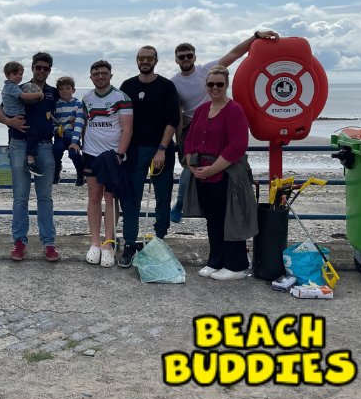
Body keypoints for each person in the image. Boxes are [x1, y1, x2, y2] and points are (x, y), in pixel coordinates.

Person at [169, 30, 280, 223]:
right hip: (191, 127)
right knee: (189, 168)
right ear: (176, 60)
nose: (186, 59)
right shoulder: (174, 82)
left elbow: (234, 53)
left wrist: (256, 36)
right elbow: (176, 113)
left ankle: (228, 205)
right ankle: (182, 202)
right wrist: (179, 140)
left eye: (189, 55)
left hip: (218, 120)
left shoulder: (207, 71)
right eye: (182, 57)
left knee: (225, 164)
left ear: (195, 56)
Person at [182, 65, 257, 279]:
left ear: (226, 85)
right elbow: (190, 139)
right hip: (202, 173)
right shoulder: (202, 110)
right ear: (206, 86)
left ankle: (237, 265)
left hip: (226, 173)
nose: (215, 88)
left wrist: (212, 169)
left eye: (219, 84)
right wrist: (191, 164)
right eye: (211, 84)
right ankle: (216, 260)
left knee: (230, 218)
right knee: (212, 219)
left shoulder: (234, 110)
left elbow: (237, 145)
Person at [117, 45, 181, 268]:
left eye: (149, 58)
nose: (144, 61)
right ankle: (130, 244)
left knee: (162, 198)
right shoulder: (128, 86)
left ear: (155, 60)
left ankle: (159, 240)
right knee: (131, 199)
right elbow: (120, 119)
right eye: (141, 58)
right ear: (137, 60)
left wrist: (162, 149)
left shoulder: (166, 86)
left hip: (160, 149)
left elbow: (173, 120)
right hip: (134, 151)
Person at [73, 61, 133, 268]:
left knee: (110, 198)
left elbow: (127, 129)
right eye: (96, 73)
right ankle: (95, 242)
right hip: (90, 153)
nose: (100, 76)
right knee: (94, 197)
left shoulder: (121, 98)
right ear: (91, 77)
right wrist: (76, 143)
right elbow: (84, 123)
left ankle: (109, 243)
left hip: (112, 155)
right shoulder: (87, 98)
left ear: (110, 75)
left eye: (104, 73)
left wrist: (120, 154)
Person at [6, 52, 59, 261]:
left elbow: (67, 114)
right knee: (20, 198)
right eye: (39, 67)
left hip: (45, 146)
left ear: (50, 70)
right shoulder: (18, 89)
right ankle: (19, 242)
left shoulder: (54, 93)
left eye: (46, 68)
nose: (42, 71)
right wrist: (9, 122)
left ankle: (49, 243)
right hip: (19, 146)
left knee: (45, 198)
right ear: (32, 68)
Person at [0, 60, 45, 175]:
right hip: (15, 116)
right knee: (32, 134)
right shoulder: (12, 88)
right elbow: (24, 95)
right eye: (15, 74)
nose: (18, 77)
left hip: (14, 114)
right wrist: (40, 94)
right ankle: (31, 162)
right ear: (7, 75)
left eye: (20, 74)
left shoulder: (11, 86)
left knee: (26, 133)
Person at [51, 76, 84, 184]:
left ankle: (80, 175)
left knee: (74, 154)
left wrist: (75, 141)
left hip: (72, 136)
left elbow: (79, 122)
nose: (64, 91)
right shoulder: (55, 104)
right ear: (58, 91)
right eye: (61, 89)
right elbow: (52, 121)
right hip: (60, 136)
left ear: (73, 90)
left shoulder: (78, 104)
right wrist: (56, 130)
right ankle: (56, 174)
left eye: (67, 88)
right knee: (56, 150)